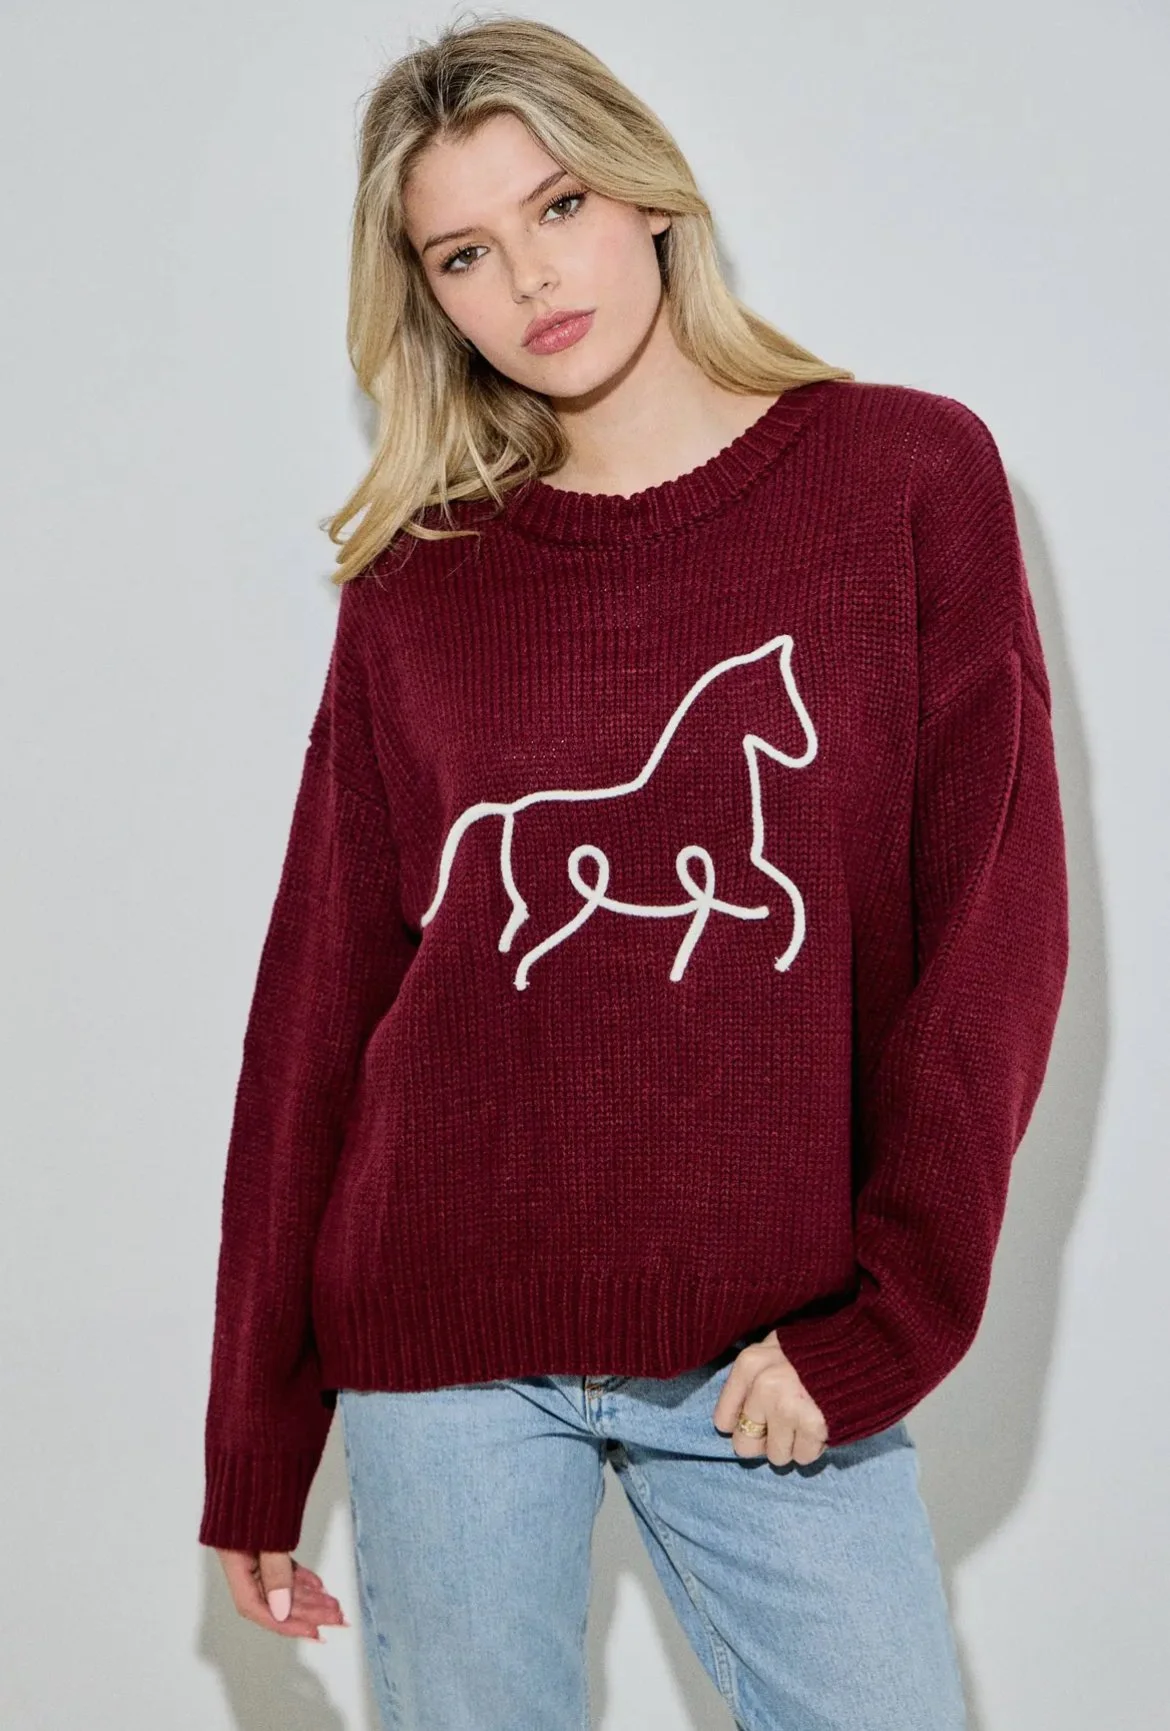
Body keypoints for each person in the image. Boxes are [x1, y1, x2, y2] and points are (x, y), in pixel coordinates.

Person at [198, 16, 1070, 1730]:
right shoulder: (419, 582)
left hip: (772, 1345)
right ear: (427, 296)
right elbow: (317, 1005)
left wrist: (887, 1319)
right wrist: (255, 1436)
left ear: (650, 196)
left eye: (558, 205)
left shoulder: (907, 477)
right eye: (463, 251)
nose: (529, 276)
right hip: (443, 1346)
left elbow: (994, 932)